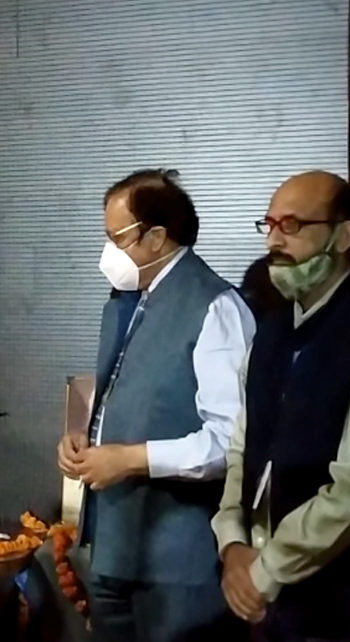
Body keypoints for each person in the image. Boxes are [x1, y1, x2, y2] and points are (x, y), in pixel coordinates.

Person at [211, 171, 350, 641]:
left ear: (343, 235)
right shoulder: (270, 333)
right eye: (269, 225)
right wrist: (231, 542)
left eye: (292, 225)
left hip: (346, 605)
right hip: (259, 595)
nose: (274, 241)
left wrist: (266, 570)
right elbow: (241, 450)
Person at [57, 169, 254, 642]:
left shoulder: (215, 307)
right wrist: (84, 439)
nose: (107, 253)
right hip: (113, 551)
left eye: (116, 238)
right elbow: (128, 396)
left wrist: (129, 459)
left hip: (177, 569)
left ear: (157, 237)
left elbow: (229, 441)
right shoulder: (125, 303)